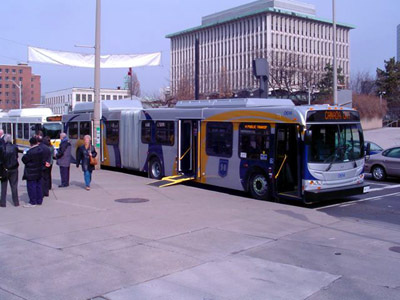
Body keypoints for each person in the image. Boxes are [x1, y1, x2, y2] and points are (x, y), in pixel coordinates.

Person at [22, 137, 44, 207]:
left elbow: (24, 160)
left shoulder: (30, 152)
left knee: (31, 187)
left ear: (31, 143)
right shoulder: (41, 150)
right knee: (39, 186)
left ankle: (32, 201)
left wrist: (25, 154)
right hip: (39, 170)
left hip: (31, 171)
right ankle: (39, 200)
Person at [36, 133, 52, 197]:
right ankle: (46, 192)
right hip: (47, 165)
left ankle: (42, 192)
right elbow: (49, 156)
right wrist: (48, 162)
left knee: (41, 180)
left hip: (41, 166)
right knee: (46, 178)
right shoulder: (47, 148)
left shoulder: (38, 148)